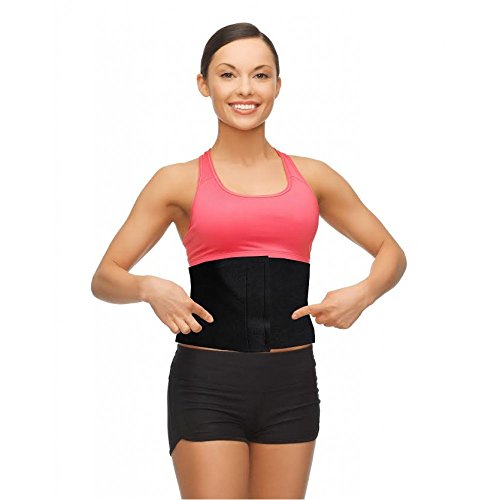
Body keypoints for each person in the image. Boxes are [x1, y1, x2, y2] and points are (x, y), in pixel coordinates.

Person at [91, 22, 407, 499]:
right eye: (228, 75)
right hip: (208, 383)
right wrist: (148, 287)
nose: (245, 89)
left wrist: (363, 294)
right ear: (204, 85)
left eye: (260, 75)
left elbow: (391, 253)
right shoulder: (176, 181)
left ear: (278, 85)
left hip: (291, 384)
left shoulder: (314, 177)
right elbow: (104, 277)